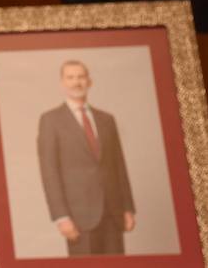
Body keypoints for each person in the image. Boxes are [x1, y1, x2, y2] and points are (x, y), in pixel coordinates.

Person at [37, 60, 136, 256]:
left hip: (113, 213)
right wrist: (61, 216)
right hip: (78, 217)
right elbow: (49, 173)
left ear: (89, 81)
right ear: (62, 83)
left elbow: (119, 166)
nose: (76, 82)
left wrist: (128, 208)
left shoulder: (107, 119)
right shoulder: (50, 120)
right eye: (70, 77)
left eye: (81, 77)